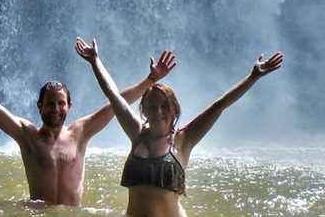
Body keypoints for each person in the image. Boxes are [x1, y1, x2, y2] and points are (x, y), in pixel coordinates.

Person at [0, 47, 177, 206]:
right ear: (40, 106)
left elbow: (117, 102)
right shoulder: (27, 135)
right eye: (50, 104)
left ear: (69, 106)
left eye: (61, 104)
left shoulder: (80, 132)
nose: (56, 109)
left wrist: (151, 80)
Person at [74, 37, 284, 217]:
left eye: (165, 106)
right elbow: (112, 94)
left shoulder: (184, 140)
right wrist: (94, 61)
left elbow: (220, 105)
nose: (158, 112)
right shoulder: (137, 133)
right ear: (144, 111)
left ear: (174, 110)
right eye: (152, 107)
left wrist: (253, 77)